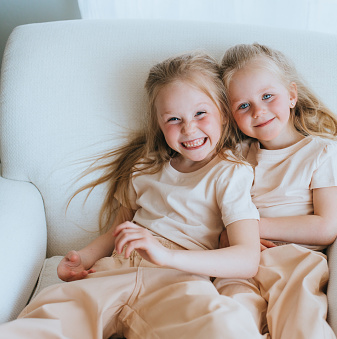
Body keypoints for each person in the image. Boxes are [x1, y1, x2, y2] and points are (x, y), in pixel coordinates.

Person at [0, 52, 264, 339]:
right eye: (174, 119)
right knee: (44, 322)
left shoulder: (230, 173)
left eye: (200, 113)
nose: (188, 128)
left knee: (225, 326)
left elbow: (246, 258)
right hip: (114, 271)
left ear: (223, 114)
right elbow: (118, 229)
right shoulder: (145, 168)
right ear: (160, 126)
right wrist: (83, 258)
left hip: (179, 280)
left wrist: (165, 255)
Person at [213, 43, 337, 339]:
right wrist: (230, 236)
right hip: (241, 260)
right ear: (231, 115)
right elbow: (219, 214)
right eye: (243, 105)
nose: (259, 111)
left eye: (267, 96)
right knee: (229, 318)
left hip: (296, 263)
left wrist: (248, 228)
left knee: (301, 325)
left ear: (291, 95)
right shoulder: (235, 157)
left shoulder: (324, 152)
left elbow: (326, 227)